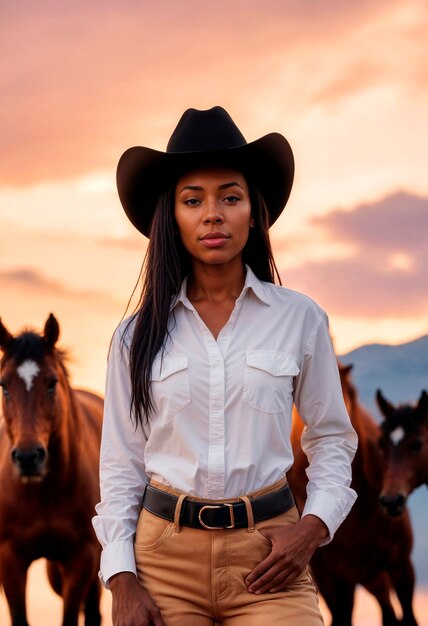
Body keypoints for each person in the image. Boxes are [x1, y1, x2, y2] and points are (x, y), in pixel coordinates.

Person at [92, 106, 358, 626]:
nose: (212, 214)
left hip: (270, 557)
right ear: (171, 216)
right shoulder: (133, 337)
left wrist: (314, 526)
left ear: (254, 212)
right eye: (193, 200)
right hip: (163, 563)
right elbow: (121, 468)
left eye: (229, 197)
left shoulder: (300, 318)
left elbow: (331, 438)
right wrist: (121, 579)